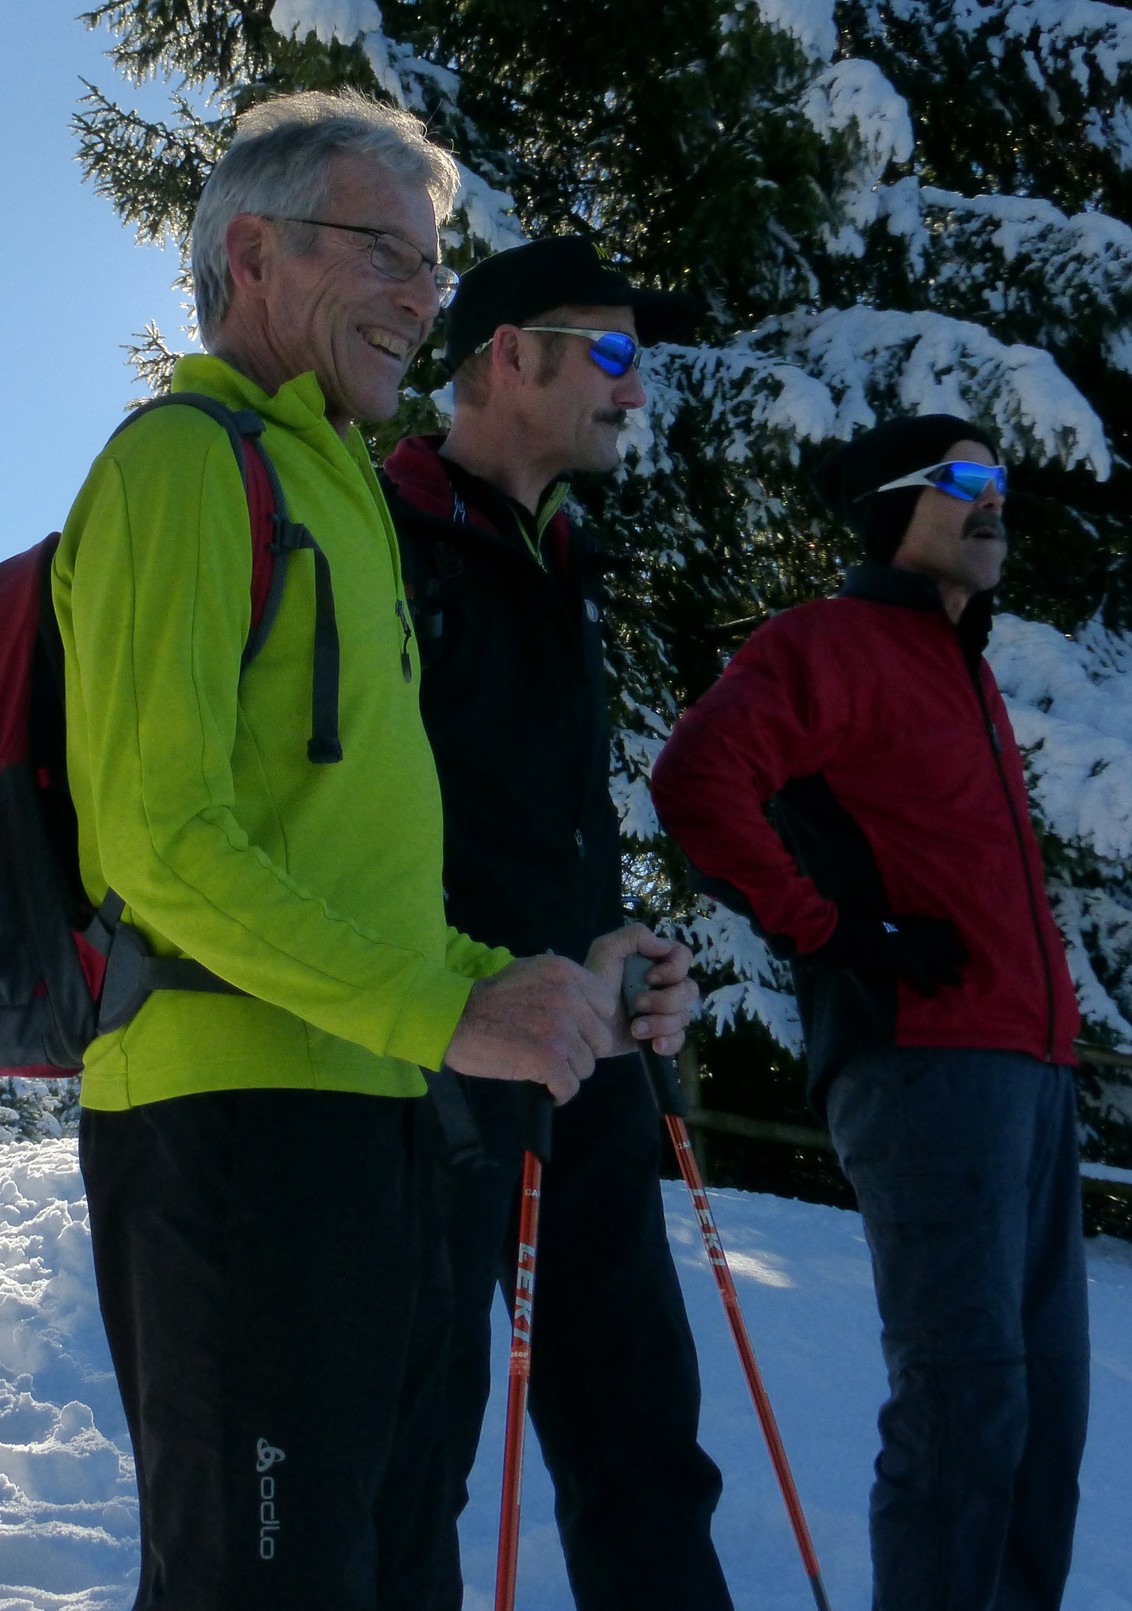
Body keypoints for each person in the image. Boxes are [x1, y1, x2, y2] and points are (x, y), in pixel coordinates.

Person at [53, 92, 697, 1611]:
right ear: (255, 252)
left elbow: (376, 879)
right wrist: (451, 1008)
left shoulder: (339, 487)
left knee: (392, 1566)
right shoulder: (186, 464)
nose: (423, 293)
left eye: (431, 259)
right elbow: (165, 842)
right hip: (230, 1125)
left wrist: (529, 983)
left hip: (376, 1123)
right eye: (385, 253)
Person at [650, 416, 1086, 1611]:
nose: (993, 499)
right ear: (894, 509)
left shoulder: (964, 667)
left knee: (1042, 1415)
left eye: (999, 479)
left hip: (1030, 1069)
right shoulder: (829, 644)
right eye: (963, 479)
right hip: (926, 1066)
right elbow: (696, 779)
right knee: (966, 1398)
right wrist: (836, 932)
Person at [379, 236, 732, 1610]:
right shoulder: (385, 533)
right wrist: (489, 975)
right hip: (435, 1057)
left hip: (583, 1065)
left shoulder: (561, 557)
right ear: (505, 353)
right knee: (416, 1464)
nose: (637, 390)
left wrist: (619, 943)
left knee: (643, 1437)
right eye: (613, 351)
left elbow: (545, 818)